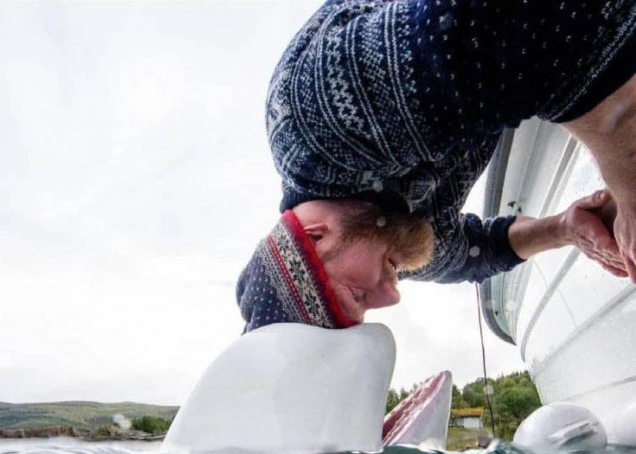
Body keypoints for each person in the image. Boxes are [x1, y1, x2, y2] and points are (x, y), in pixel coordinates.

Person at [237, 0, 636, 331]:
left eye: (357, 295)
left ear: (315, 235)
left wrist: (629, 185)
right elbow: (476, 253)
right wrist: (565, 228)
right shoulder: (382, 234)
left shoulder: (317, 126)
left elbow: (532, 23)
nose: (391, 296)